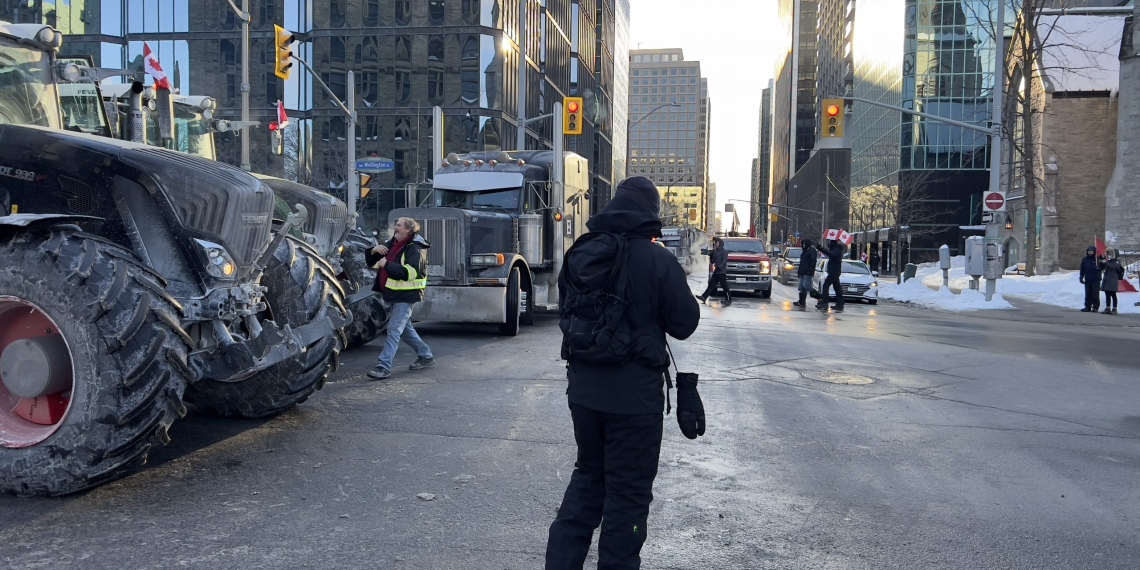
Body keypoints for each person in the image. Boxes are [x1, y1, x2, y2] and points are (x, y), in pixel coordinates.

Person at [546, 176, 701, 570]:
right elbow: (685, 323)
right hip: (634, 400)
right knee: (627, 498)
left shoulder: (581, 254)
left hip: (583, 393)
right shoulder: (658, 259)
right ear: (650, 213)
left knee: (588, 479)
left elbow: (567, 313)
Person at [365, 217, 434, 380]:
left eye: (398, 225)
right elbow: (374, 263)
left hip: (406, 296)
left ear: (408, 231)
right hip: (393, 294)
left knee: (394, 330)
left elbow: (410, 273)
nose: (395, 227)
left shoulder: (416, 247)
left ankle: (383, 366)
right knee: (405, 330)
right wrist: (373, 251)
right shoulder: (394, 243)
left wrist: (385, 264)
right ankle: (425, 355)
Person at [697, 237, 731, 306]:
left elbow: (724, 262)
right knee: (711, 285)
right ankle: (704, 297)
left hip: (721, 272)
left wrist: (719, 267)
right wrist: (711, 255)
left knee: (724, 286)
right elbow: (712, 261)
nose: (716, 244)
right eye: (715, 243)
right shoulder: (715, 251)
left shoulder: (724, 252)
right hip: (716, 271)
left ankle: (728, 298)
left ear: (720, 244)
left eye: (717, 243)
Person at [815, 239, 846, 312]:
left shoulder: (837, 250)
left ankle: (825, 302)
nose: (829, 245)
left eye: (830, 243)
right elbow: (830, 253)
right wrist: (821, 248)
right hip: (834, 272)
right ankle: (840, 304)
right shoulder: (836, 249)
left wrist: (821, 249)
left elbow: (831, 254)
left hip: (834, 272)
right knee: (837, 288)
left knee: (826, 285)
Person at [793, 238, 818, 309]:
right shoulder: (804, 251)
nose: (803, 245)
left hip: (807, 272)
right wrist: (799, 272)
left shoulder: (812, 251)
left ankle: (819, 296)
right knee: (801, 287)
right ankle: (801, 301)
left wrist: (810, 271)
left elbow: (813, 261)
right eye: (802, 244)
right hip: (802, 272)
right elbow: (802, 263)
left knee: (806, 286)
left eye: (804, 244)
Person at [1079, 246, 1102, 313]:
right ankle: (1087, 306)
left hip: (1096, 279)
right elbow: (1082, 269)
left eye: (1091, 251)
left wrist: (1099, 268)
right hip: (1088, 278)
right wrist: (1081, 277)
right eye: (1089, 251)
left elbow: (1103, 267)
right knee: (1088, 293)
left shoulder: (1097, 259)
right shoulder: (1085, 259)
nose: (1090, 252)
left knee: (1095, 294)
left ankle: (1095, 307)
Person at [1100, 249, 1123, 315]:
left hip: (1113, 280)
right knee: (1107, 294)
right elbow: (1103, 267)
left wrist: (1105, 262)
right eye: (1108, 254)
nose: (1109, 255)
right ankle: (1107, 308)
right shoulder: (1109, 261)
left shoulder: (1117, 261)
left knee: (1113, 295)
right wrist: (1101, 261)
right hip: (1107, 279)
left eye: (1110, 253)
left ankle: (1114, 308)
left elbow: (1113, 267)